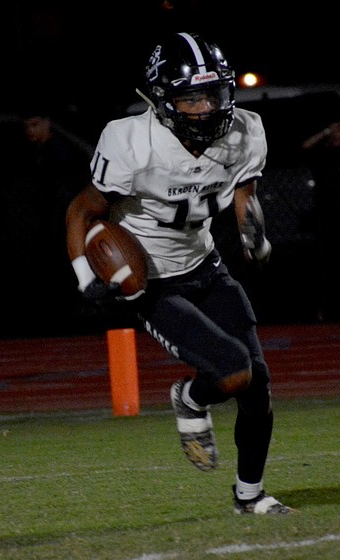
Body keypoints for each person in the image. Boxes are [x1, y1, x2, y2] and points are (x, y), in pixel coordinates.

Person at [65, 32, 292, 515]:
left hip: (206, 267)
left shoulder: (244, 130)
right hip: (152, 282)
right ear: (164, 101)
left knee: (260, 388)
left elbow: (243, 194)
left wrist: (256, 236)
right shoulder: (131, 140)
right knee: (232, 371)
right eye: (190, 98)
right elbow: (82, 209)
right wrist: (86, 275)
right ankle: (190, 397)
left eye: (213, 94)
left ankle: (248, 496)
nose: (206, 107)